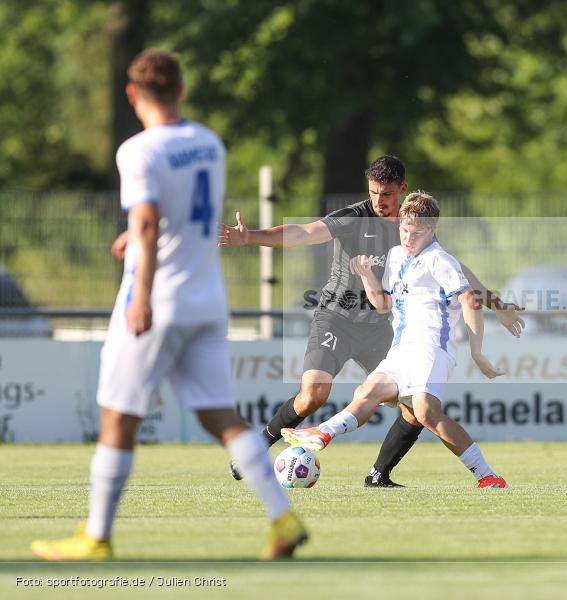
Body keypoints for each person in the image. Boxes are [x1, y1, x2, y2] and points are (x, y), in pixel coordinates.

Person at [30, 49, 306, 561]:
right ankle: (283, 519)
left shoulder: (138, 150)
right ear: (181, 90)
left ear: (132, 95)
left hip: (157, 299)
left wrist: (139, 295)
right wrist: (132, 236)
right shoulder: (209, 143)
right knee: (221, 416)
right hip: (206, 300)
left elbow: (152, 221)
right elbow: (177, 217)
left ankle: (96, 536)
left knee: (118, 417)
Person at [219, 156, 523, 487]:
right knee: (314, 394)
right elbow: (304, 232)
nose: (379, 201)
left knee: (414, 406)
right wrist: (250, 238)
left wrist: (498, 304)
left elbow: (456, 272)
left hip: (381, 326)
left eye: (387, 194)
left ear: (402, 189)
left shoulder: (412, 225)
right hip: (337, 318)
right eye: (374, 192)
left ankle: (379, 475)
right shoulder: (354, 218)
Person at [281, 192, 508, 488]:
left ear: (432, 229)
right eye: (403, 229)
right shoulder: (396, 255)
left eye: (416, 233)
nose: (408, 238)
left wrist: (477, 353)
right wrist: (365, 275)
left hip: (432, 349)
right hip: (401, 349)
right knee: (368, 391)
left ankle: (487, 476)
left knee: (426, 412)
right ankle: (322, 433)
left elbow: (471, 301)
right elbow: (383, 305)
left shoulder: (439, 260)